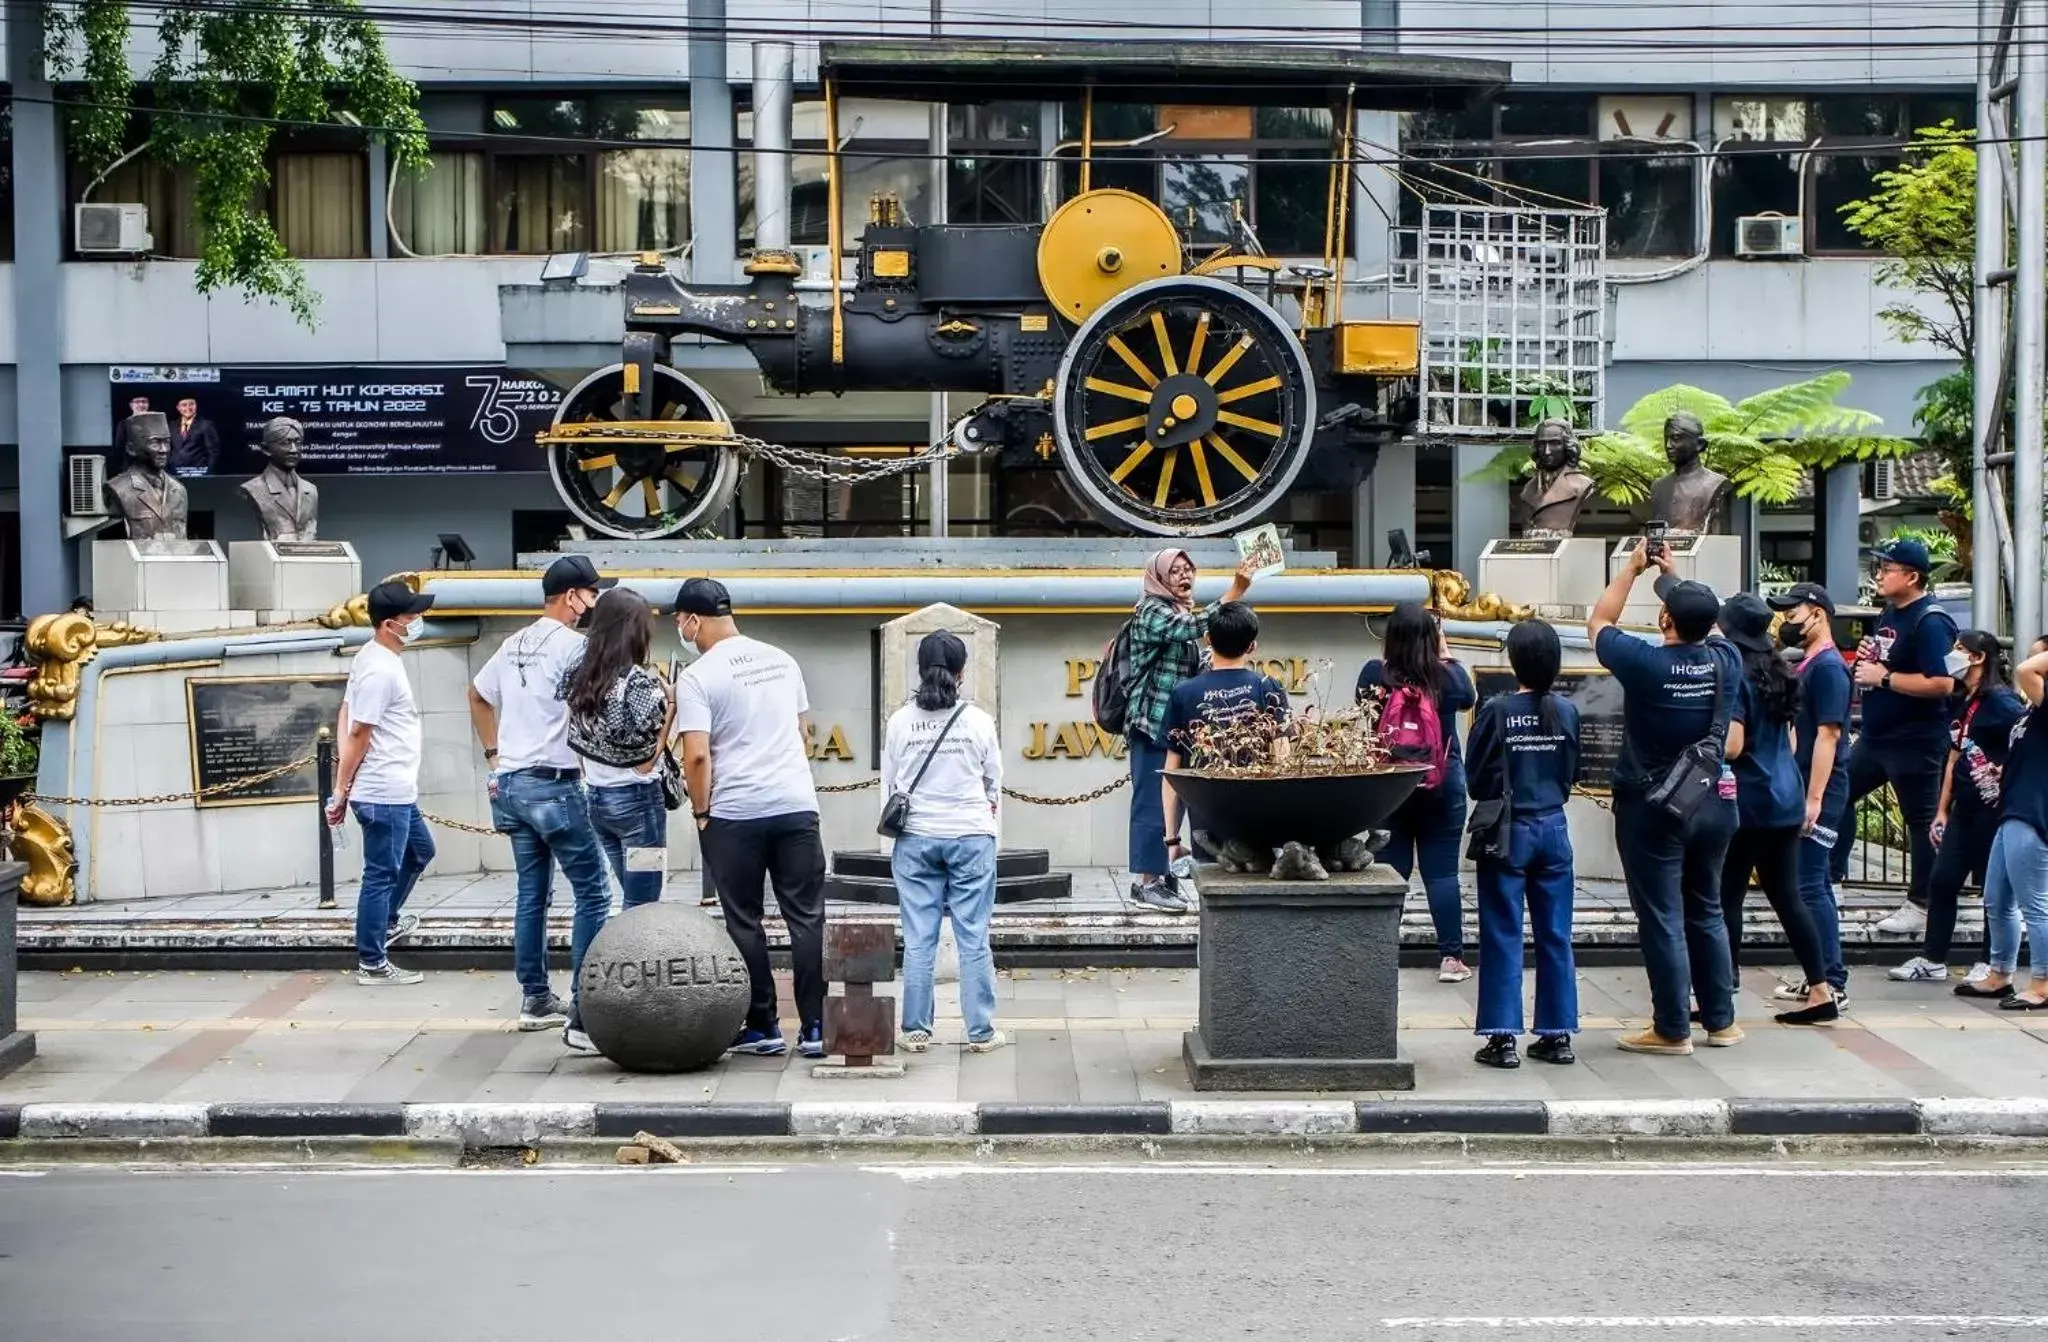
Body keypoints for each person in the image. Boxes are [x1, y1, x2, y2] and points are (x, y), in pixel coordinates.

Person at [1588, 546, 1741, 1056]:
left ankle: (1672, 1028)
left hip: (1652, 806)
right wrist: (1673, 577)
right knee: (1707, 908)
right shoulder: (1727, 660)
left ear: (1664, 618)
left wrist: (1633, 568)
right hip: (1714, 801)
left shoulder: (1645, 663)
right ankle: (1721, 1022)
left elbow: (1600, 619)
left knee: (1661, 916)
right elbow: (1706, 621)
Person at [672, 577, 828, 1059]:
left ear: (694, 620)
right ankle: (816, 1027)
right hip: (796, 805)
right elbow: (802, 733)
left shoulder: (697, 677)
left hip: (735, 814)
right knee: (806, 917)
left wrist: (701, 813)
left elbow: (696, 757)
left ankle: (763, 1025)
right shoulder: (782, 660)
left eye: (680, 621)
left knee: (745, 921)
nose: (681, 629)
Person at [468, 554, 616, 1042]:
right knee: (593, 890)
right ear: (572, 596)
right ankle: (583, 1002)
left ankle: (535, 997)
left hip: (510, 784)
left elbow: (477, 694)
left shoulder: (513, 643)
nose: (594, 601)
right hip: (555, 783)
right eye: (591, 593)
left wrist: (494, 753)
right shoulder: (577, 647)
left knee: (533, 893)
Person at [1714, 594, 1838, 1026]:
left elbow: (1731, 743)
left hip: (1748, 801)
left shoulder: (1736, 675)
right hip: (1785, 796)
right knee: (1787, 896)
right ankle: (1821, 990)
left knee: (1725, 895)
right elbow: (1789, 742)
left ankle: (1720, 992)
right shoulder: (1781, 668)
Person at [881, 630, 1006, 1055]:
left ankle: (916, 1028)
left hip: (915, 837)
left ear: (919, 669)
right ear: (961, 672)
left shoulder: (899, 722)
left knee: (919, 937)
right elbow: (993, 779)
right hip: (971, 834)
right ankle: (980, 1032)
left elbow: (890, 785)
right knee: (973, 935)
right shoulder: (979, 720)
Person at [1465, 619, 1581, 1069]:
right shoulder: (1566, 712)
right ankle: (1556, 1035)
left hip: (1508, 833)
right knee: (1556, 935)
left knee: (1502, 932)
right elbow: (1571, 775)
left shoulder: (1497, 712)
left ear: (1513, 662)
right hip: (1554, 828)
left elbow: (1476, 780)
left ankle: (1502, 1037)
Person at [1123, 548, 1256, 912]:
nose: (1184, 576)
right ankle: (1146, 882)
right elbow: (1191, 628)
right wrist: (1235, 592)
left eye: (1188, 570)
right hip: (1152, 725)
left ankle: (1163, 876)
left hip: (1175, 727)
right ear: (1159, 578)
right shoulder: (1151, 611)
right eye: (1175, 571)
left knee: (1173, 802)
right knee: (1152, 802)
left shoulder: (1178, 611)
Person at [1897, 631, 2027, 985]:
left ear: (1978, 658)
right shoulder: (1961, 699)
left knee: (1994, 891)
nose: (1951, 655)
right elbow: (1954, 755)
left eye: (1959, 649)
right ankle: (1933, 957)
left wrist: (2005, 771)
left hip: (1993, 810)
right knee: (1942, 882)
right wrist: (1942, 808)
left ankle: (1991, 961)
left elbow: (2025, 744)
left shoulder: (2002, 703)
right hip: (1964, 809)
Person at [326, 581, 438, 986]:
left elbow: (344, 711)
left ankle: (384, 923)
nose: (419, 621)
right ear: (391, 624)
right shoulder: (380, 670)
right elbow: (358, 732)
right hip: (384, 791)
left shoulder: (375, 656)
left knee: (421, 851)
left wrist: (345, 783)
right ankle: (372, 960)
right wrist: (342, 788)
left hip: (394, 789)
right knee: (381, 873)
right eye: (413, 617)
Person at [1358, 602, 1477, 982]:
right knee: (1441, 875)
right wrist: (1443, 651)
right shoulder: (1450, 678)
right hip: (1443, 785)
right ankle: (1451, 959)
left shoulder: (1374, 674)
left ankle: (1377, 954)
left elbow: (1365, 713)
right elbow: (1469, 698)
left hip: (1391, 787)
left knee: (1391, 870)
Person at [1848, 538, 1959, 936]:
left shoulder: (1931, 621)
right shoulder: (1890, 613)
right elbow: (1889, 658)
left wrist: (1886, 677)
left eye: (1887, 569)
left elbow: (1944, 683)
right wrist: (1873, 657)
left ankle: (1923, 902)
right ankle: (1831, 878)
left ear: (1912, 577)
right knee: (1836, 791)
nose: (1878, 576)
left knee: (1922, 820)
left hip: (1915, 739)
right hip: (1877, 736)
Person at [558, 587, 674, 915]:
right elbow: (645, 761)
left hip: (597, 803)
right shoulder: (639, 684)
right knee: (644, 906)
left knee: (631, 898)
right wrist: (674, 704)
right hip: (638, 805)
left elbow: (580, 744)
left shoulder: (580, 675)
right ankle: (634, 963)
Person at [1767, 582, 1851, 1006]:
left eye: (1793, 611)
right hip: (1803, 785)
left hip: (1823, 790)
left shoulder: (1830, 668)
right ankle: (1818, 973)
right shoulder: (1809, 665)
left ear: (1817, 613)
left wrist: (1814, 798)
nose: (1787, 620)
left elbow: (1828, 735)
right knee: (1806, 884)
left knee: (1811, 885)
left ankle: (1831, 980)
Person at [1159, 602, 1289, 845]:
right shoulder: (1268, 687)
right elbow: (1283, 761)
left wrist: (1171, 840)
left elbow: (1171, 774)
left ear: (1207, 640)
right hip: (1263, 824)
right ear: (1252, 646)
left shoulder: (1184, 693)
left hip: (1205, 830)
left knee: (1208, 878)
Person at [1973, 636, 2048, 1007]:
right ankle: (2000, 973)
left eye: (2041, 657)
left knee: (2035, 903)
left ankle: (2043, 983)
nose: (2032, 662)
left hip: (2032, 812)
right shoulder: (2034, 711)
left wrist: (2038, 661)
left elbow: (2023, 671)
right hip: (2012, 808)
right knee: (1997, 898)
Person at [168, 396, 220, 474]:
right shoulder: (172, 425)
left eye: (191, 404)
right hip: (175, 472)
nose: (188, 408)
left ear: (196, 406)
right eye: (184, 405)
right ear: (178, 408)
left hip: (198, 473)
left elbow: (214, 452)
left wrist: (208, 473)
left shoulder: (206, 425)